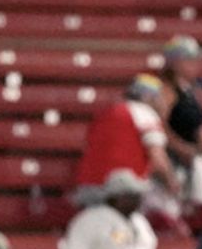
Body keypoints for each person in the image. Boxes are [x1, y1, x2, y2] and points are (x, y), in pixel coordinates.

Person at [74, 75, 178, 207]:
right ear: (149, 97)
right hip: (121, 191)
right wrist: (171, 182)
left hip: (87, 186)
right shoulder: (145, 113)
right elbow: (158, 158)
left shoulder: (105, 113)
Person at [160, 36, 202, 208]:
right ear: (175, 63)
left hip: (192, 161)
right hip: (173, 161)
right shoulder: (166, 91)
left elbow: (200, 124)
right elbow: (160, 127)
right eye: (190, 60)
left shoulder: (193, 90)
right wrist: (181, 148)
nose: (195, 64)